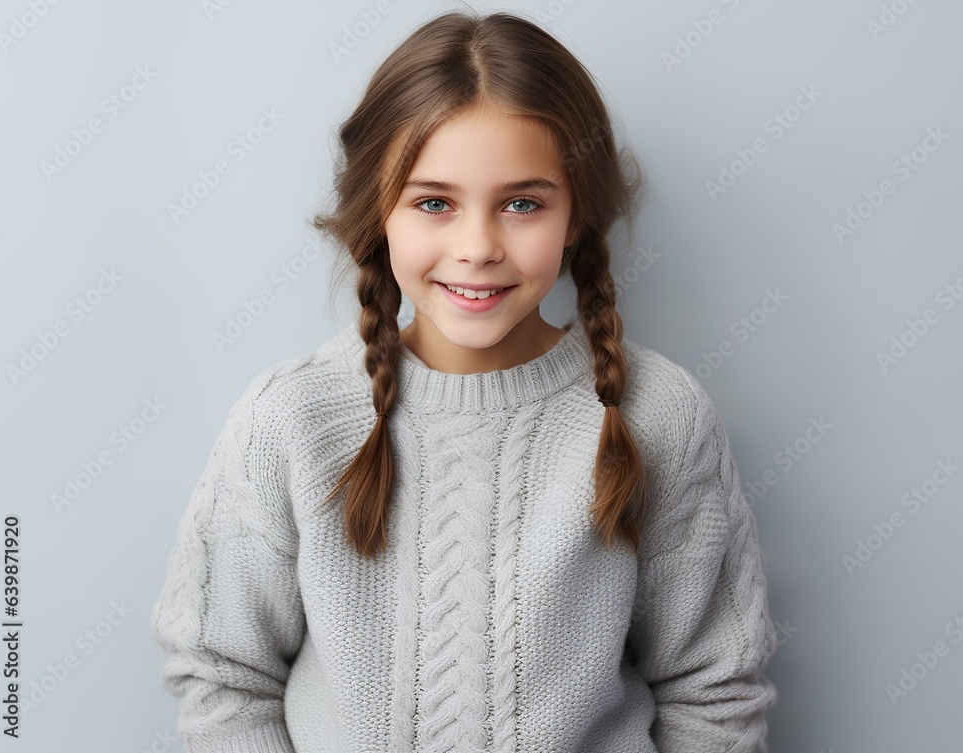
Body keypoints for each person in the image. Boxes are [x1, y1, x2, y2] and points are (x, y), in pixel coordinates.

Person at [150, 9, 778, 752]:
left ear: (575, 215)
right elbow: (223, 672)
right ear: (379, 213)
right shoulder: (290, 418)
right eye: (434, 203)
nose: (477, 247)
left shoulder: (658, 415)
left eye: (522, 203)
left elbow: (716, 685)